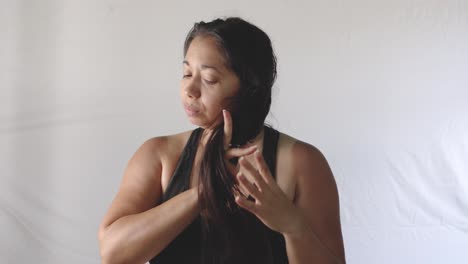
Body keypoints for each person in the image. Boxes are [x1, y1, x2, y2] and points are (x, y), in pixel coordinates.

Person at [98, 17, 346, 264]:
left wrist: (294, 227)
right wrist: (203, 193)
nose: (190, 89)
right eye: (186, 73)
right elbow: (113, 253)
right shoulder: (160, 155)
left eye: (209, 79)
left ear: (249, 87)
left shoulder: (301, 162)